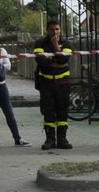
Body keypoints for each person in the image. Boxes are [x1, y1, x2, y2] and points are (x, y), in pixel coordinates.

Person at [31, 20, 74, 150]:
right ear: (47, 30)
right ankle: (50, 139)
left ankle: (62, 139)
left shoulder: (66, 43)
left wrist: (56, 47)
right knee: (48, 112)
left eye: (57, 29)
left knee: (63, 111)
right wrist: (55, 62)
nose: (54, 32)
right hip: (46, 83)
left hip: (63, 83)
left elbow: (63, 59)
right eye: (52, 29)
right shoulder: (40, 43)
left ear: (60, 30)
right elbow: (41, 61)